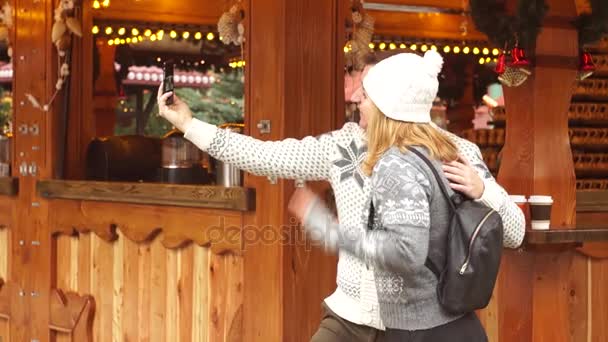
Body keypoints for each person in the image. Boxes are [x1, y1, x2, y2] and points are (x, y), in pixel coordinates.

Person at [157, 50, 524, 341]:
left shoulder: (458, 153)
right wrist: (189, 125)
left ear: (389, 99)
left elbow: (515, 232)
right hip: (350, 319)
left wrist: (484, 190)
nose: (354, 97)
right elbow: (266, 155)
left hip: (426, 325)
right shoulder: (345, 147)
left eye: (365, 91)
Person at [290, 51, 489, 341]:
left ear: (387, 105)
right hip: (454, 325)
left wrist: (329, 230)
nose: (358, 100)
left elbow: (407, 252)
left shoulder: (397, 164)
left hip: (420, 330)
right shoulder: (441, 153)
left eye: (367, 96)